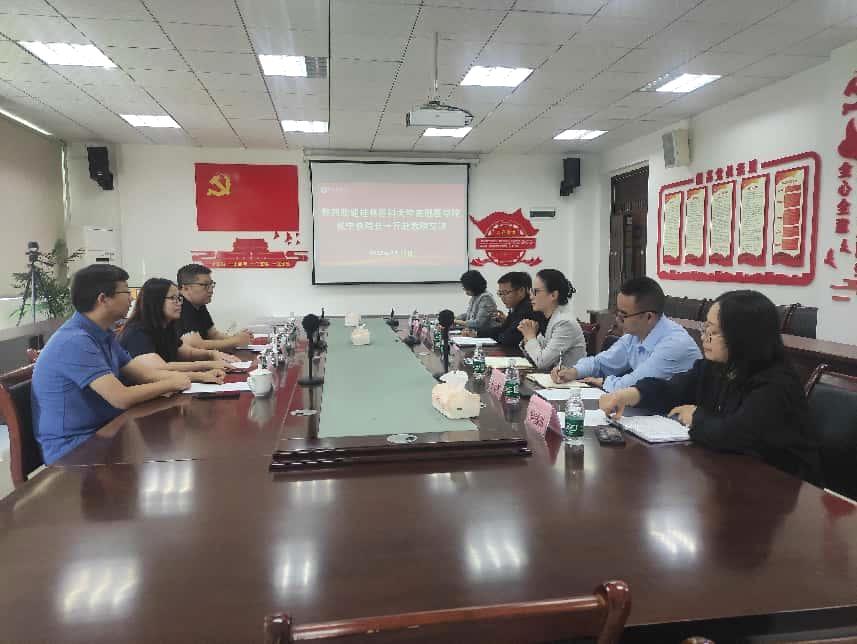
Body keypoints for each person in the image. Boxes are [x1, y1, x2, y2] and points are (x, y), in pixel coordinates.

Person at [599, 290, 821, 483]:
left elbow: (736, 435)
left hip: (783, 486)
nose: (704, 337)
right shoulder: (716, 366)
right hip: (733, 477)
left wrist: (696, 417)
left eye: (713, 332)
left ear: (742, 337)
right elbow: (674, 389)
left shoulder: (776, 383)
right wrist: (633, 394)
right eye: (705, 328)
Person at [31, 264, 191, 464]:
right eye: (126, 292)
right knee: (166, 454)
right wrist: (172, 383)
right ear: (103, 299)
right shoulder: (75, 341)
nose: (132, 299)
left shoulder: (103, 334)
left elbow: (142, 374)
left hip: (106, 431)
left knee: (168, 448)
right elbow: (121, 398)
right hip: (75, 449)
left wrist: (186, 379)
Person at [551, 276, 700, 392]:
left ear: (648, 317)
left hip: (678, 417)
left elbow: (635, 384)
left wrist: (604, 382)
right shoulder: (633, 336)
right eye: (617, 312)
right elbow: (600, 363)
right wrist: (573, 372)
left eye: (623, 315)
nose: (617, 320)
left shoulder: (674, 345)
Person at [118, 278, 238, 383]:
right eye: (173, 298)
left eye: (179, 298)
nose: (179, 303)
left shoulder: (166, 326)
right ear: (155, 301)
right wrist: (205, 368)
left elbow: (187, 352)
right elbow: (160, 368)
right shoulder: (137, 332)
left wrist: (212, 354)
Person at [518, 268, 586, 370]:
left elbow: (542, 362)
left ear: (553, 295)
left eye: (536, 291)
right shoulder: (551, 317)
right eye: (531, 291)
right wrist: (527, 338)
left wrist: (531, 336)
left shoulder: (564, 323)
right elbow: (537, 355)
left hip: (569, 379)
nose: (531, 296)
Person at [176, 264, 253, 351]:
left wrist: (237, 338)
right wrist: (235, 341)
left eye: (211, 284)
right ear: (185, 288)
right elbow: (196, 345)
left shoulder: (199, 304)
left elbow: (213, 334)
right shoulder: (178, 307)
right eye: (205, 285)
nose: (211, 290)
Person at [490, 271, 546, 347]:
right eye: (500, 293)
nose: (502, 297)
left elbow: (508, 339)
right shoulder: (517, 306)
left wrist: (499, 335)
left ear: (521, 291)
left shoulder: (528, 308)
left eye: (506, 293)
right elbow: (502, 329)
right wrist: (477, 333)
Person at [454, 269, 497, 335]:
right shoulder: (475, 296)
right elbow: (469, 314)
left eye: (465, 287)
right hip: (473, 334)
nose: (464, 289)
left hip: (485, 335)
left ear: (473, 286)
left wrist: (456, 321)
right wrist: (455, 318)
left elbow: (478, 323)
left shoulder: (486, 298)